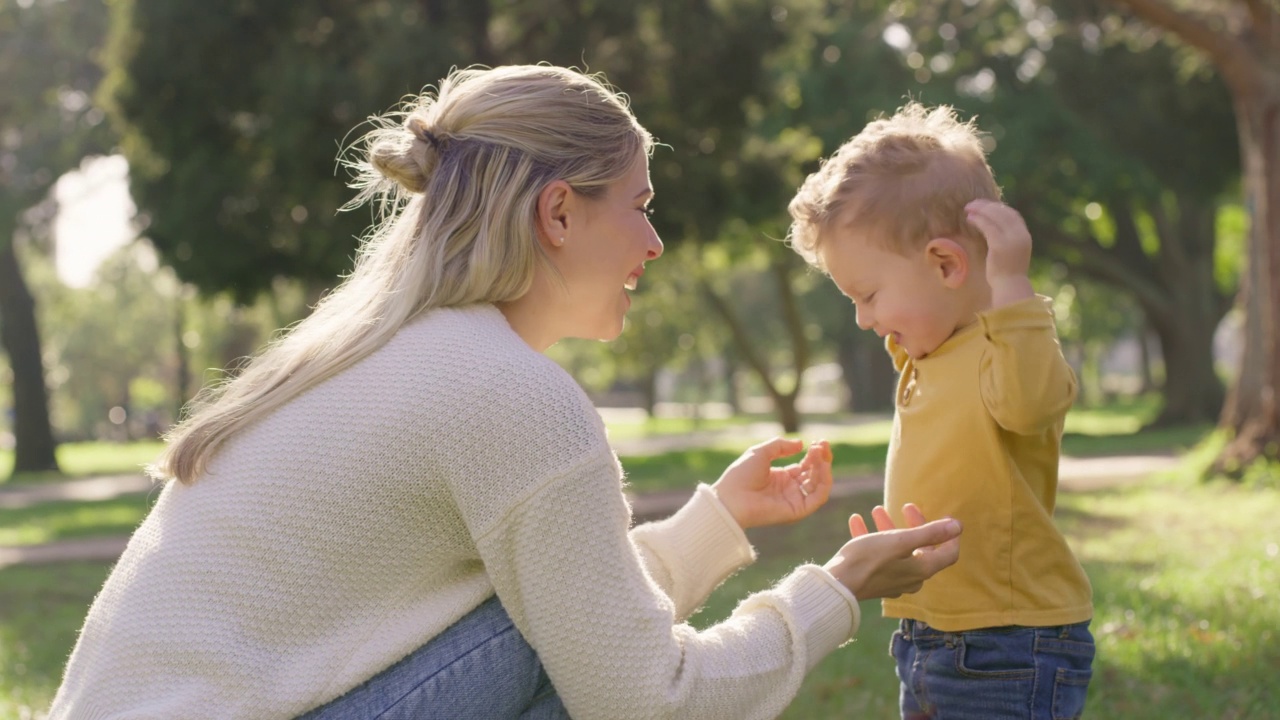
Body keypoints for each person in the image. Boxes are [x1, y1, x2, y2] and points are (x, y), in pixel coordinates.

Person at [47, 66, 961, 720]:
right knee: (570, 668)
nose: (655, 243)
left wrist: (715, 520)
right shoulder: (505, 393)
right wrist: (835, 591)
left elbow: (575, 618)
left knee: (557, 638)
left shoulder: (380, 351)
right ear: (559, 212)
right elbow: (646, 696)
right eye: (640, 204)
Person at [785, 102, 1094, 719]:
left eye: (867, 295)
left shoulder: (1007, 345)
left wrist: (1010, 283)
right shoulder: (929, 352)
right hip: (929, 632)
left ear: (947, 263)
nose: (863, 318)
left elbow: (1033, 406)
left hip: (1008, 640)